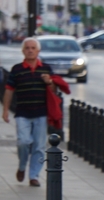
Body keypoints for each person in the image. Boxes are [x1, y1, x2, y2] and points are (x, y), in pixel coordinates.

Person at [2, 37, 55, 187]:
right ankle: (22, 166)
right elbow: (9, 90)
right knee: (23, 142)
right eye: (27, 48)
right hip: (22, 113)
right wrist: (5, 110)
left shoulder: (46, 69)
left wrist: (49, 82)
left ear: (38, 51)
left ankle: (34, 176)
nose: (30, 50)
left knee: (39, 146)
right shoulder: (17, 69)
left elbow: (54, 91)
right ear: (23, 51)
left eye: (33, 48)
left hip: (41, 112)